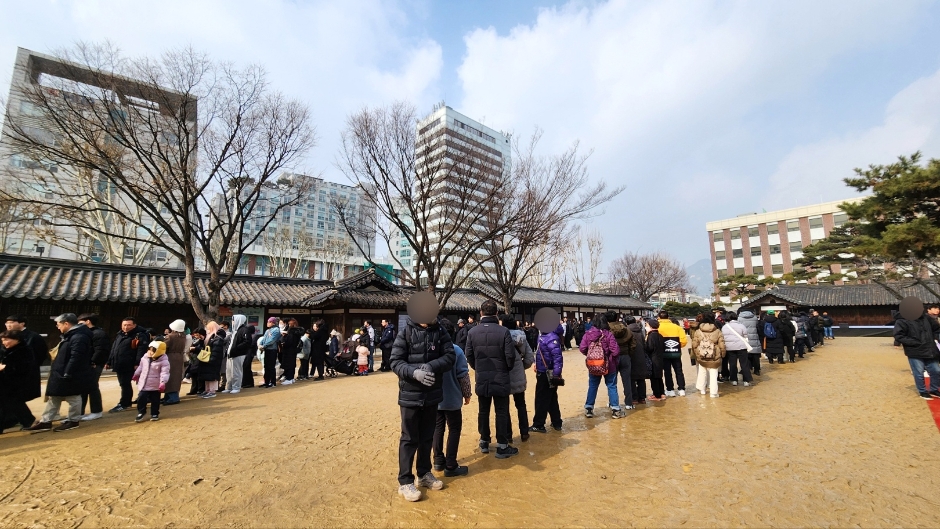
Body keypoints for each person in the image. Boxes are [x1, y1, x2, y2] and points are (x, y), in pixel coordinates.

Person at [390, 313, 456, 502]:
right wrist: (414, 372)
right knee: (409, 438)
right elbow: (395, 362)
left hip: (432, 394)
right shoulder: (405, 332)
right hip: (410, 394)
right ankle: (405, 481)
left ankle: (424, 473)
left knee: (427, 436)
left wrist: (431, 366)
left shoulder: (441, 332)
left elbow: (449, 356)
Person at [465, 300, 518, 458]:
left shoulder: (472, 332)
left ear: (481, 313)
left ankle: (484, 441)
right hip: (501, 376)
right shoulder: (503, 332)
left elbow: (469, 355)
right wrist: (505, 368)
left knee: (483, 410)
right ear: (496, 313)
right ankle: (502, 445)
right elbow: (510, 356)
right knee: (501, 411)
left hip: (482, 377)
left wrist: (478, 367)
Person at [27, 313, 96, 432]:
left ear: (66, 323)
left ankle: (73, 420)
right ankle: (46, 421)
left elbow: (76, 356)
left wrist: (68, 372)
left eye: (58, 324)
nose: (57, 327)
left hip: (71, 372)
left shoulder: (79, 336)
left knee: (73, 397)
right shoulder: (71, 335)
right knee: (54, 397)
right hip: (61, 370)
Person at [432, 318, 471, 477]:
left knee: (437, 428)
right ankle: (451, 464)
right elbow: (463, 375)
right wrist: (467, 394)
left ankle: (438, 460)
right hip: (452, 398)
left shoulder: (432, 350)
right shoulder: (456, 350)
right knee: (454, 429)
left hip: (434, 398)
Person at [579, 314, 622, 418]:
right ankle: (615, 409)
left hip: (593, 364)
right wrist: (609, 356)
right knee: (611, 386)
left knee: (593, 386)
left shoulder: (588, 334)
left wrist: (591, 355)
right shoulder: (608, 334)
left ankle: (589, 408)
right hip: (609, 365)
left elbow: (582, 348)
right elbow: (615, 351)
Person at [894, 302, 940, 399]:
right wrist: (913, 342)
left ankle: (934, 389)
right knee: (918, 372)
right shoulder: (902, 321)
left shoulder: (926, 318)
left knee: (936, 370)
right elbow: (899, 335)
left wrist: (934, 338)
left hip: (930, 349)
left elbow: (937, 328)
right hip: (915, 350)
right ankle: (922, 391)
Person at [500, 315, 534, 442]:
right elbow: (530, 358)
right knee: (521, 405)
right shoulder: (522, 337)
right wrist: (521, 367)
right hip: (519, 375)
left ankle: (508, 435)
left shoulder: (500, 337)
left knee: (504, 408)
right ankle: (524, 432)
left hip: (504, 376)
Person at [106, 316, 150, 413]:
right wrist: (109, 361)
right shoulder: (120, 334)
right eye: (124, 325)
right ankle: (127, 401)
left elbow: (141, 350)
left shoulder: (139, 335)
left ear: (134, 325)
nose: (126, 327)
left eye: (129, 325)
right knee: (123, 383)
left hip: (130, 363)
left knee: (126, 383)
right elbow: (114, 349)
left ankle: (124, 403)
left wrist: (137, 363)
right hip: (119, 363)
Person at [0, 330, 40, 431]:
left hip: (17, 382)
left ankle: (28, 421)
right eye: (2, 340)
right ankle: (23, 421)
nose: (4, 342)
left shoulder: (24, 350)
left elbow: (24, 367)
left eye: (7, 340)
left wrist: (6, 367)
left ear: (17, 340)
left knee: (15, 403)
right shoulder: (5, 350)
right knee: (9, 404)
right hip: (5, 382)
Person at [529, 322, 564, 433]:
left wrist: (556, 374)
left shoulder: (551, 337)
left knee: (541, 399)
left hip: (546, 372)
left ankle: (539, 424)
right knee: (552, 398)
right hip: (543, 370)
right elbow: (539, 352)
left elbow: (557, 358)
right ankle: (556, 421)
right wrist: (535, 362)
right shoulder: (544, 335)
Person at [77, 313, 110, 421]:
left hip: (94, 364)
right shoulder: (87, 333)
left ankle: (96, 411)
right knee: (82, 388)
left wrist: (93, 361)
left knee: (92, 387)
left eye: (81, 322)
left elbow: (99, 350)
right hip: (85, 364)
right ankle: (79, 412)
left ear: (88, 321)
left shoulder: (98, 333)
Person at [133, 341, 170, 422]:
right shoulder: (145, 358)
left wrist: (163, 382)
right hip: (144, 383)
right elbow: (140, 367)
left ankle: (154, 413)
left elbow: (165, 372)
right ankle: (141, 412)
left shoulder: (164, 361)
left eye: (152, 350)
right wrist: (136, 374)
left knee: (155, 400)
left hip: (155, 385)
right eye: (149, 350)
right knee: (141, 397)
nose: (150, 352)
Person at [691, 313, 726, 398]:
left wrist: (697, 354)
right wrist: (723, 354)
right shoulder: (717, 331)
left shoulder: (698, 331)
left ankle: (702, 389)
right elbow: (722, 344)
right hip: (714, 356)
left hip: (702, 355)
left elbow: (694, 344)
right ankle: (713, 393)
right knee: (714, 374)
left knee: (702, 372)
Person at [607, 311, 636, 410]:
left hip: (612, 357)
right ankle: (629, 403)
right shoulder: (626, 329)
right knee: (627, 380)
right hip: (625, 356)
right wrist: (629, 353)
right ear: (616, 318)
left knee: (612, 382)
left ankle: (613, 403)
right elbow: (633, 344)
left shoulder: (607, 330)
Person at [657, 311, 688, 397]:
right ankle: (681, 389)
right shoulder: (677, 327)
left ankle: (670, 389)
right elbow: (684, 341)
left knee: (667, 371)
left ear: (659, 317)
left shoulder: (658, 327)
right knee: (679, 370)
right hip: (676, 352)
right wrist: (678, 346)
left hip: (664, 353)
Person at [721, 312, 752, 387]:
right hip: (741, 347)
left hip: (730, 348)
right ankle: (746, 380)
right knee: (744, 364)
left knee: (732, 364)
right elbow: (745, 335)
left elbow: (723, 337)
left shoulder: (724, 327)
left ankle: (734, 380)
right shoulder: (741, 326)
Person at [223, 315, 252, 392]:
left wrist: (237, 348)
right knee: (229, 372)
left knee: (236, 371)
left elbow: (247, 342)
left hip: (238, 354)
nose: (232, 322)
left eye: (233, 320)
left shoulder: (244, 330)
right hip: (231, 354)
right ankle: (229, 387)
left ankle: (236, 387)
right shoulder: (234, 331)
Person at [161, 319, 188, 405]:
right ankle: (171, 396)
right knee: (176, 377)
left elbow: (163, 346)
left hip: (170, 356)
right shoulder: (183, 336)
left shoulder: (170, 336)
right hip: (179, 357)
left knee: (169, 377)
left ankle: (172, 397)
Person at [197, 322, 226, 398]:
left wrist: (212, 359)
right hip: (208, 359)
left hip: (213, 360)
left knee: (212, 376)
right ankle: (207, 390)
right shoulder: (211, 336)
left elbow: (216, 350)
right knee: (207, 375)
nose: (207, 329)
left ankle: (212, 391)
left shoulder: (218, 337)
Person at [625, 316, 648, 405]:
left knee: (631, 379)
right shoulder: (640, 331)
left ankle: (634, 398)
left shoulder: (627, 331)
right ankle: (642, 398)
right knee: (641, 379)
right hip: (641, 357)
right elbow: (644, 344)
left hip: (631, 357)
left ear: (627, 323)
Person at [644, 319, 667, 401]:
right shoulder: (660, 335)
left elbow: (649, 348)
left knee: (653, 377)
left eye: (646, 325)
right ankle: (662, 393)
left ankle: (656, 395)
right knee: (659, 377)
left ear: (650, 326)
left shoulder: (651, 336)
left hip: (653, 359)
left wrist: (644, 346)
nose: (646, 326)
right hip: (660, 358)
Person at [738, 310, 763, 375]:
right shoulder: (755, 318)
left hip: (745, 339)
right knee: (755, 355)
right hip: (754, 338)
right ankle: (757, 370)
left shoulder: (739, 318)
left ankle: (747, 369)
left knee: (746, 355)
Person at [259, 317, 281, 388]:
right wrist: (260, 344)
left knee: (271, 366)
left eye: (269, 322)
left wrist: (264, 346)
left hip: (272, 350)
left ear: (273, 322)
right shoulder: (267, 330)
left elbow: (272, 340)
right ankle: (266, 381)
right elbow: (264, 338)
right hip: (267, 349)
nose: (267, 323)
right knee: (266, 366)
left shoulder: (276, 330)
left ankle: (273, 382)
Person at [278, 318, 302, 385]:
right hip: (292, 350)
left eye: (289, 324)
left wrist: (284, 341)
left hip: (289, 350)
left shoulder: (292, 332)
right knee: (291, 364)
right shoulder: (296, 331)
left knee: (289, 364)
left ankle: (289, 378)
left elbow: (289, 342)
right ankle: (290, 378)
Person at [187, 329, 206, 395]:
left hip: (200, 359)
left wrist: (195, 348)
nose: (196, 336)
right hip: (194, 359)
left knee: (199, 376)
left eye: (197, 335)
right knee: (194, 375)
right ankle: (194, 389)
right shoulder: (197, 340)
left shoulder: (204, 340)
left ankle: (200, 389)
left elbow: (203, 349)